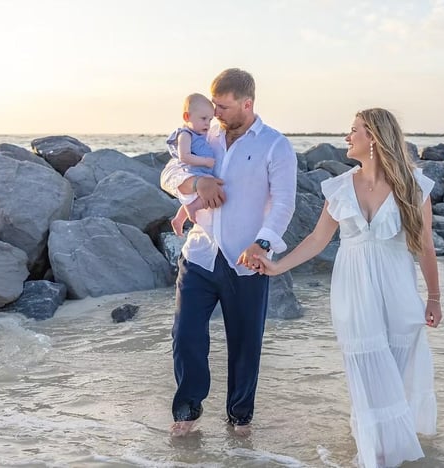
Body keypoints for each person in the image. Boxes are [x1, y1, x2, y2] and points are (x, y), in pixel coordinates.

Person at [251, 108, 442, 467]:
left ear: (373, 137)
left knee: (396, 377)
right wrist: (277, 266)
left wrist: (434, 298)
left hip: (399, 294)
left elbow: (426, 246)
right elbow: (317, 239)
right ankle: (375, 456)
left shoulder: (414, 187)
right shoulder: (340, 187)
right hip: (353, 294)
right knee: (367, 374)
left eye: (353, 130)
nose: (347, 137)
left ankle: (391, 453)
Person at [159, 68, 298, 437]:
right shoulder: (204, 135)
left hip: (247, 260)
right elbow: (170, 170)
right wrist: (196, 181)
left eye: (223, 106)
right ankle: (187, 411)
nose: (215, 112)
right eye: (213, 105)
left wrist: (263, 242)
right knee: (185, 335)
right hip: (200, 254)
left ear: (247, 103)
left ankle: (240, 419)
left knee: (245, 344)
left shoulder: (274, 144)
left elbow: (284, 202)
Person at [166, 93, 216, 236]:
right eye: (203, 118)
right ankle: (191, 208)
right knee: (213, 188)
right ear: (187, 117)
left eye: (210, 119)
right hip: (194, 171)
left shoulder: (202, 134)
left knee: (209, 190)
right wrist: (205, 161)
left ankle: (179, 220)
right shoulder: (185, 135)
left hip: (202, 172)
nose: (207, 123)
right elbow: (184, 156)